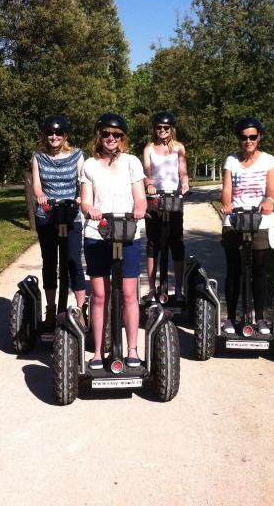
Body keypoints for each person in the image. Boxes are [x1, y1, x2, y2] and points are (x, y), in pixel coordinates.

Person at [79, 113, 147, 370]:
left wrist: (140, 208)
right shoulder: (89, 165)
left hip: (128, 232)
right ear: (99, 135)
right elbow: (86, 200)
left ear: (122, 138)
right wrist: (90, 210)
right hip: (98, 233)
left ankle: (131, 350)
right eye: (106, 133)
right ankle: (97, 351)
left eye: (116, 134)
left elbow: (139, 197)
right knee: (99, 295)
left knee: (129, 294)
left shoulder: (132, 162)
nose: (111, 138)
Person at [221, 116, 274, 335]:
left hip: (260, 221)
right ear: (239, 139)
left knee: (258, 270)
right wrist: (226, 204)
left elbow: (271, 189)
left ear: (259, 137)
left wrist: (268, 201)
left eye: (253, 137)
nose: (248, 141)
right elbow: (227, 189)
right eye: (244, 137)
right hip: (234, 221)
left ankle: (260, 318)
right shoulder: (231, 161)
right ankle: (231, 318)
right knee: (234, 270)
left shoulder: (268, 161)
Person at [31, 115, 86, 325]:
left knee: (73, 262)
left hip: (71, 213)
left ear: (65, 136)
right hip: (47, 214)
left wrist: (82, 196)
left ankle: (81, 311)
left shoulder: (77, 155)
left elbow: (83, 180)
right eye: (50, 133)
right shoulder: (38, 157)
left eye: (58, 133)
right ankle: (51, 309)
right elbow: (37, 184)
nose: (54, 137)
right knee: (50, 263)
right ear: (45, 135)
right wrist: (41, 195)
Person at [142, 111, 190, 302]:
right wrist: (149, 184)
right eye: (158, 127)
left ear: (171, 129)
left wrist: (185, 184)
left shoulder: (179, 148)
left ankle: (178, 288)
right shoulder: (149, 148)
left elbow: (183, 171)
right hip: (154, 200)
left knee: (176, 242)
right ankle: (153, 288)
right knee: (153, 243)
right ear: (154, 129)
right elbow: (147, 171)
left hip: (174, 199)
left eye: (165, 128)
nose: (162, 130)